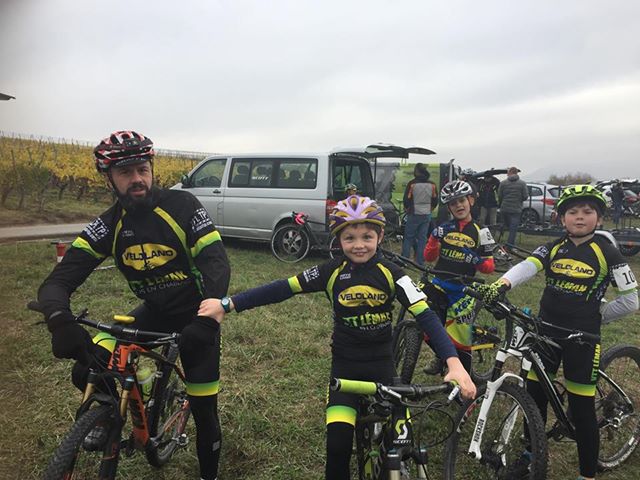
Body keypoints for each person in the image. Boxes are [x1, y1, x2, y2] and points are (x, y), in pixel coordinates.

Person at [198, 195, 476, 480]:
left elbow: (426, 316)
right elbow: (282, 288)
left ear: (380, 237)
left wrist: (454, 363)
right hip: (345, 371)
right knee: (337, 449)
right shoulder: (330, 271)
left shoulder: (393, 274)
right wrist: (228, 303)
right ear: (339, 240)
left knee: (403, 445)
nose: (359, 245)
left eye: (367, 237)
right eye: (349, 238)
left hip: (383, 367)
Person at [37, 130, 231, 480]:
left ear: (152, 169)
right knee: (86, 369)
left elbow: (215, 261)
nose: (137, 179)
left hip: (197, 314)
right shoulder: (109, 224)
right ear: (109, 178)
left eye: (142, 169)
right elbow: (58, 280)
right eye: (125, 172)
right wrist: (59, 319)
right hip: (154, 312)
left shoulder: (182, 206)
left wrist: (210, 315)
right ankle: (108, 413)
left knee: (205, 411)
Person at [475, 185, 639, 480]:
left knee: (582, 408)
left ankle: (587, 474)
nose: (580, 217)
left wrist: (598, 316)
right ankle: (530, 456)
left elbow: (631, 301)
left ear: (599, 218)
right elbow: (528, 266)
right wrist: (501, 284)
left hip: (582, 339)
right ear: (562, 218)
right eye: (572, 212)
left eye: (587, 212)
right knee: (534, 397)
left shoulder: (607, 251)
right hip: (545, 333)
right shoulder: (553, 246)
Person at [421, 180, 496, 374]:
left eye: (462, 200)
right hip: (439, 284)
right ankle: (442, 357)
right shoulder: (444, 227)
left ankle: (464, 381)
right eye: (453, 203)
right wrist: (434, 237)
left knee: (462, 343)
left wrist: (476, 260)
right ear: (449, 207)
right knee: (426, 327)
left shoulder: (483, 231)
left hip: (464, 290)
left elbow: (490, 268)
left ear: (471, 200)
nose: (458, 206)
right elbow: (428, 257)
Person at [402, 163, 437, 265]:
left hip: (413, 213)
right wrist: (430, 209)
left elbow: (406, 199)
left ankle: (405, 260)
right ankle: (420, 261)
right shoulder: (432, 184)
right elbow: (435, 199)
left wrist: (407, 208)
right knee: (422, 238)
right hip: (426, 214)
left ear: (417, 171)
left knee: (408, 237)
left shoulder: (412, 183)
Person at [498, 166, 528, 246]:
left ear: (510, 172)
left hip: (504, 208)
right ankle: (510, 245)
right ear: (516, 173)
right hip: (516, 209)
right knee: (513, 229)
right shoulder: (522, 183)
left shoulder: (503, 183)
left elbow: (499, 196)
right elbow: (525, 196)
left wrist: (501, 203)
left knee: (503, 225)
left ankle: (498, 240)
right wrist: (519, 199)